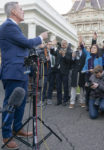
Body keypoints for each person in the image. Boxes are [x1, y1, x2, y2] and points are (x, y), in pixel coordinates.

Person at [0, 2, 48, 149]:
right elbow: (26, 43)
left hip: (21, 71)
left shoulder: (14, 27)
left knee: (21, 103)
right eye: (21, 9)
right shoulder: (8, 26)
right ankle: (6, 136)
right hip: (13, 72)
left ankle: (17, 128)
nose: (23, 11)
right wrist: (40, 38)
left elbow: (22, 46)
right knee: (11, 103)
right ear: (13, 11)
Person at [50, 40, 72, 106]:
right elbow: (53, 53)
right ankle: (59, 100)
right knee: (58, 86)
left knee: (65, 86)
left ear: (67, 44)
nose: (63, 44)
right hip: (58, 71)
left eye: (64, 43)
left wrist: (63, 55)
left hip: (65, 71)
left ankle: (65, 100)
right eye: (62, 43)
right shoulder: (58, 50)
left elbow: (69, 61)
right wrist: (52, 47)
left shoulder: (69, 51)